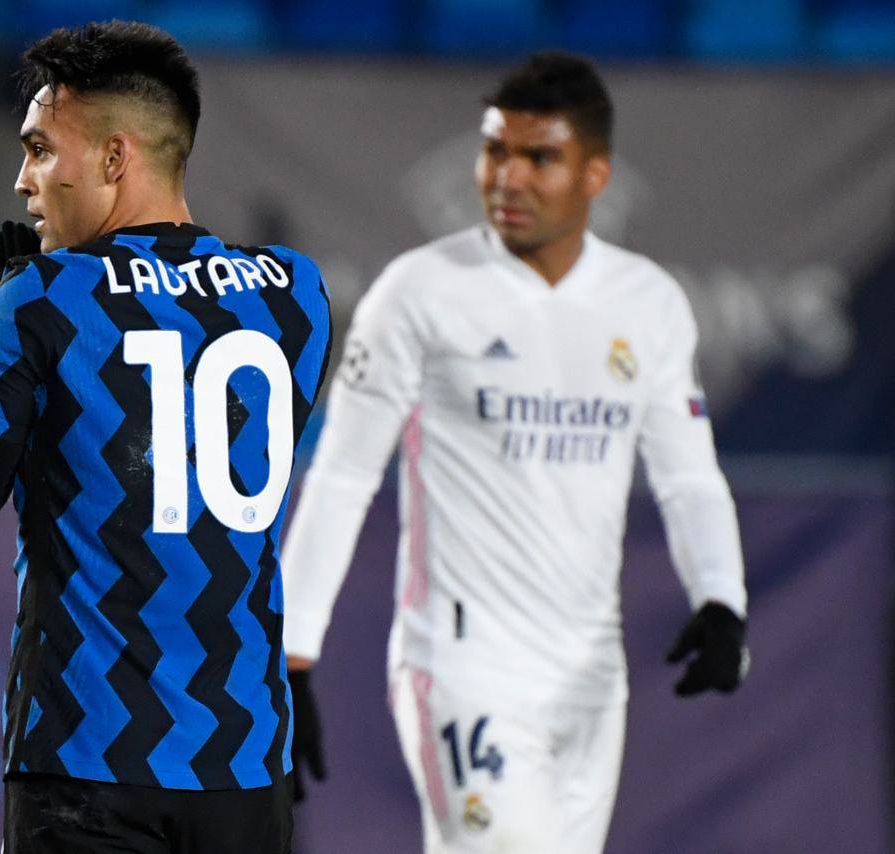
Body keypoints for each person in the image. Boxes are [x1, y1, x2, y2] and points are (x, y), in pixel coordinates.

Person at [280, 52, 748, 853]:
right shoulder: (420, 291)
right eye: (495, 151)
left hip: (591, 674)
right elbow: (344, 474)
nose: (508, 177)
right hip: (462, 665)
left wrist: (721, 599)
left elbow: (689, 480)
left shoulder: (649, 304)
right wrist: (291, 654)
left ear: (596, 175)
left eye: (539, 157)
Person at [0, 21, 332, 854]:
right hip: (245, 765)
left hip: (87, 759)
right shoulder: (295, 294)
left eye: (40, 149)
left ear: (114, 159)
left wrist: (2, 333)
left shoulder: (43, 299)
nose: (23, 180)